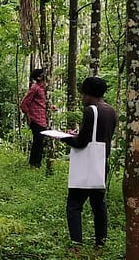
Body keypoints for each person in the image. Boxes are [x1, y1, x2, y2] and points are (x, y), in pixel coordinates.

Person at [58, 76, 117, 250]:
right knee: (99, 205)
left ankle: (76, 245)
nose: (83, 98)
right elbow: (98, 136)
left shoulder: (91, 110)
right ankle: (101, 243)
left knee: (74, 206)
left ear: (88, 93)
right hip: (101, 164)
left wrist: (66, 138)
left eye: (84, 94)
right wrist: (78, 134)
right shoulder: (111, 111)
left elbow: (82, 142)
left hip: (86, 166)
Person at [19, 68, 50, 168]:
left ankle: (36, 163)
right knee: (38, 141)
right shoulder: (35, 88)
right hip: (36, 119)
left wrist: (51, 107)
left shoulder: (44, 89)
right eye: (42, 74)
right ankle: (34, 164)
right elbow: (24, 104)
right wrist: (28, 117)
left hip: (43, 119)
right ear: (38, 77)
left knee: (40, 142)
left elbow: (43, 103)